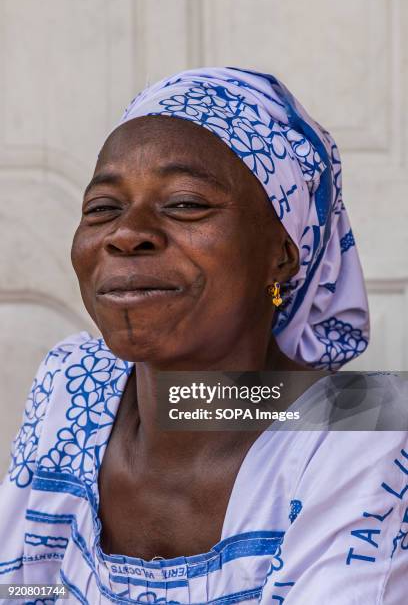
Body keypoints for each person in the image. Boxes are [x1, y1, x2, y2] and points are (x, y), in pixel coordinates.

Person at [0, 67, 406, 604]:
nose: (126, 234)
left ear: (283, 254)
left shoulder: (362, 428)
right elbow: (23, 585)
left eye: (187, 203)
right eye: (103, 208)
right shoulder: (76, 381)